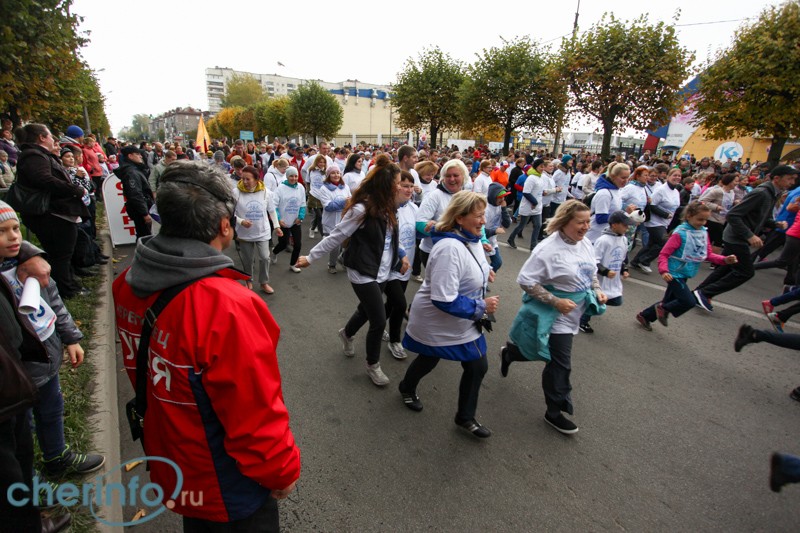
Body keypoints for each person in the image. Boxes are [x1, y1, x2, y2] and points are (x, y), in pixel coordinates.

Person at [112, 161, 300, 529]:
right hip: (227, 480)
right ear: (224, 225)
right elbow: (254, 411)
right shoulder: (227, 307)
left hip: (174, 459)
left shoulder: (127, 282)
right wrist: (280, 470)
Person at [296, 155, 409, 386]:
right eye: (399, 182)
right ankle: (373, 365)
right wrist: (310, 257)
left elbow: (389, 238)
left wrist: (401, 255)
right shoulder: (362, 209)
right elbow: (337, 236)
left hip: (384, 270)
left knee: (366, 311)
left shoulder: (390, 207)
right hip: (362, 271)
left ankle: (346, 333)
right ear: (387, 185)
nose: (402, 186)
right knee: (378, 320)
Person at [501, 200, 608, 435]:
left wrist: (598, 290)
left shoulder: (585, 243)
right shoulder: (548, 249)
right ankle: (554, 412)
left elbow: (590, 271)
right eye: (580, 222)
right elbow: (525, 280)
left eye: (588, 221)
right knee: (560, 362)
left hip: (575, 313)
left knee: (537, 352)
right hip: (553, 314)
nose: (586, 227)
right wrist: (555, 301)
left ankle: (510, 353)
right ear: (565, 222)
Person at [398, 191, 498, 438]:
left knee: (477, 365)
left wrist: (485, 274)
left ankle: (465, 417)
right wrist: (481, 306)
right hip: (440, 318)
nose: (483, 221)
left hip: (462, 319)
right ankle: (406, 387)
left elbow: (470, 267)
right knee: (429, 358)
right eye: (478, 215)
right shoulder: (449, 248)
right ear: (460, 218)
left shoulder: (469, 239)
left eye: (484, 214)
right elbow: (444, 298)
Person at [694, 165, 799, 311]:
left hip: (740, 236)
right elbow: (734, 215)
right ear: (777, 178)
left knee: (726, 268)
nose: (792, 182)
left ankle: (698, 293)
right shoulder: (762, 193)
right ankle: (704, 292)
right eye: (789, 178)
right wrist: (750, 236)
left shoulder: (774, 193)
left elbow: (762, 216)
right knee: (746, 272)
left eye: (794, 179)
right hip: (736, 237)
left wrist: (776, 224)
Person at [14, 123, 90, 299]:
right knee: (60, 254)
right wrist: (73, 189)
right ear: (41, 137)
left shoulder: (38, 155)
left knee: (65, 252)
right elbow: (44, 179)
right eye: (49, 136)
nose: (52, 139)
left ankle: (70, 283)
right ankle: (66, 290)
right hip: (50, 214)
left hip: (54, 212)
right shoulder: (33, 156)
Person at [636, 202, 738, 331]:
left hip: (686, 272)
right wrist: (664, 270)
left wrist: (725, 260)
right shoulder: (680, 234)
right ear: (689, 216)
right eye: (700, 219)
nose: (703, 223)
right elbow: (664, 254)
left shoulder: (702, 232)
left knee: (670, 300)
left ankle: (645, 316)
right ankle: (663, 309)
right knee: (688, 301)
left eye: (706, 220)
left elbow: (706, 254)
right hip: (673, 273)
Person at [579, 210, 637, 333]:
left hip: (613, 280)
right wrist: (605, 271)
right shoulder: (603, 240)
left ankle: (586, 305)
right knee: (598, 299)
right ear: (614, 225)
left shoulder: (623, 240)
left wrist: (624, 269)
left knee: (616, 300)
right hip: (601, 279)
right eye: (624, 225)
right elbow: (594, 261)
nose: (627, 227)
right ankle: (582, 320)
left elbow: (622, 257)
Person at [382, 171, 418, 360]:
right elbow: (392, 238)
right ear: (395, 187)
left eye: (411, 186)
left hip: (405, 267)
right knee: (400, 304)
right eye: (404, 186)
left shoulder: (412, 208)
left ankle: (372, 326)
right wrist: (401, 257)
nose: (409, 189)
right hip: (390, 267)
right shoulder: (389, 209)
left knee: (391, 304)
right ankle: (395, 341)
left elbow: (419, 229)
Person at [233, 165, 282, 294]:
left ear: (256, 179)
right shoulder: (236, 192)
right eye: (243, 179)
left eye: (248, 179)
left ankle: (264, 282)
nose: (244, 182)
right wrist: (241, 221)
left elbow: (271, 210)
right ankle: (248, 280)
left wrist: (276, 226)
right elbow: (229, 212)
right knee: (248, 259)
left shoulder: (265, 191)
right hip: (244, 233)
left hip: (262, 231)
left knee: (265, 257)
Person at [631, 168, 682, 274]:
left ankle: (635, 262)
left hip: (665, 222)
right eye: (674, 175)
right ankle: (644, 261)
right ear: (668, 176)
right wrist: (665, 214)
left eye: (679, 176)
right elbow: (651, 205)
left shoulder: (676, 191)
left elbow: (675, 207)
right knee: (664, 242)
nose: (677, 177)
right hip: (654, 222)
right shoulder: (661, 189)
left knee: (652, 243)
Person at [585, 161, 633, 243]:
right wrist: (625, 215)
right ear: (613, 177)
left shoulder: (617, 190)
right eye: (623, 178)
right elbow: (600, 218)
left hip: (609, 237)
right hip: (595, 238)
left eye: (627, 178)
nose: (626, 181)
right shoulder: (605, 193)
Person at [317, 165, 351, 273]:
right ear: (328, 175)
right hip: (331, 221)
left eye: (338, 172)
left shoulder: (345, 186)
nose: (336, 175)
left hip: (344, 220)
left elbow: (350, 201)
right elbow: (328, 206)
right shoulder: (324, 189)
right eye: (333, 173)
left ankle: (342, 259)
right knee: (335, 246)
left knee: (347, 243)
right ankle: (331, 265)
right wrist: (343, 202)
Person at [115, 145, 154, 239]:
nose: (140, 156)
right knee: (145, 236)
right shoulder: (131, 172)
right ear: (130, 156)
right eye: (137, 154)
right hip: (139, 209)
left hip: (141, 206)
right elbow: (135, 194)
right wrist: (144, 213)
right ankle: (143, 253)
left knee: (144, 234)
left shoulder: (134, 170)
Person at [272, 166, 306, 272]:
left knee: (298, 244)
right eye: (291, 176)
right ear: (287, 177)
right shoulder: (280, 189)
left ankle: (293, 264)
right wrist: (278, 219)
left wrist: (300, 217)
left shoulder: (300, 187)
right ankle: (274, 252)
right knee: (283, 244)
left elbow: (303, 204)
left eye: (296, 176)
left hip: (295, 221)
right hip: (283, 221)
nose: (294, 178)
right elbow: (274, 206)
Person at [507, 158, 545, 250]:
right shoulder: (531, 178)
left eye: (543, 166)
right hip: (529, 205)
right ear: (536, 167)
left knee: (538, 225)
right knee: (522, 225)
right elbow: (526, 192)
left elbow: (540, 191)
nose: (542, 168)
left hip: (537, 207)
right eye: (541, 166)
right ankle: (511, 238)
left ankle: (533, 245)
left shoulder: (540, 177)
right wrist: (534, 201)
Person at [484, 183, 511, 272]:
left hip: (492, 241)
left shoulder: (500, 206)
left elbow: (507, 224)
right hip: (481, 241)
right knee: (480, 265)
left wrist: (504, 209)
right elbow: (480, 231)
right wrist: (494, 231)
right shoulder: (485, 209)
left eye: (504, 197)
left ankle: (485, 278)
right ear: (493, 196)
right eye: (500, 197)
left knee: (497, 262)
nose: (502, 200)